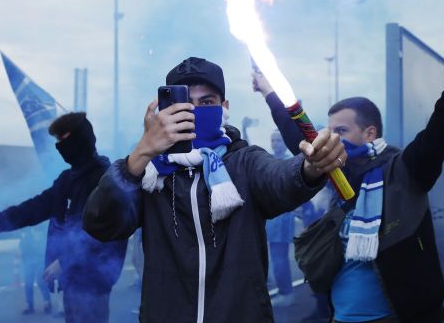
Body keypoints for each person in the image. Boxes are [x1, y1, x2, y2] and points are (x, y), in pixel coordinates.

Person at [83, 56, 346, 323]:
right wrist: (141, 153)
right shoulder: (149, 173)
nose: (195, 111)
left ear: (224, 107)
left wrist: (311, 166)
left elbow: (282, 180)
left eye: (207, 102)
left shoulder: (244, 161)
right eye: (186, 103)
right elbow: (100, 223)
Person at [255, 33, 444, 322]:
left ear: (369, 133)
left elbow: (439, 131)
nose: (330, 138)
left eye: (341, 131)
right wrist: (269, 92)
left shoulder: (403, 171)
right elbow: (297, 137)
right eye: (329, 131)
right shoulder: (337, 172)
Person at [0, 112, 128, 323]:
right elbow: (32, 208)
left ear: (80, 140)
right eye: (57, 141)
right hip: (71, 282)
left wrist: (64, 262)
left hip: (93, 285)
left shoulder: (106, 179)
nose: (60, 148)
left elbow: (100, 235)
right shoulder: (67, 180)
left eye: (64, 140)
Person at [265, 131, 295, 308]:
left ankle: (286, 293)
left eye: (278, 140)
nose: (275, 143)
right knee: (274, 257)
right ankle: (282, 290)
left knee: (279, 258)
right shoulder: (269, 158)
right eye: (272, 140)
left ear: (284, 142)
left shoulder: (289, 160)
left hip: (282, 218)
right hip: (271, 218)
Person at [19, 225, 52, 315]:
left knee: (41, 281)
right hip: (28, 260)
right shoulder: (26, 232)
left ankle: (47, 303)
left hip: (39, 260)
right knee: (28, 283)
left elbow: (44, 245)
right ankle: (29, 306)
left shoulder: (40, 229)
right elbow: (22, 245)